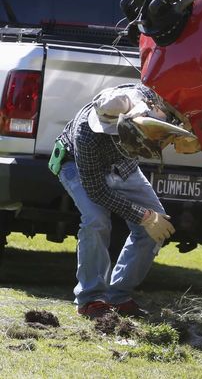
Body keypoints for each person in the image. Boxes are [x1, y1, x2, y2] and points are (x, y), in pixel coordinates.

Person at [54, 84, 176, 318]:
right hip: (77, 167)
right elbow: (98, 192)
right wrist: (145, 216)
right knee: (96, 220)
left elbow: (175, 109)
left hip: (124, 166)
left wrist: (178, 133)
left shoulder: (148, 95)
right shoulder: (85, 135)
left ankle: (119, 296)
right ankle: (90, 300)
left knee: (155, 230)